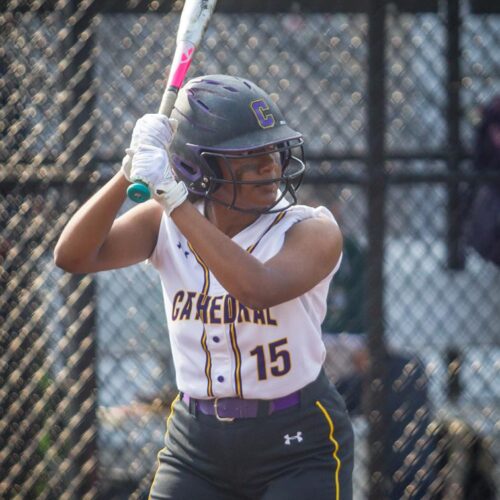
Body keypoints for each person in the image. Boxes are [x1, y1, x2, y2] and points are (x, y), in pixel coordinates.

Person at [54, 74, 354, 499]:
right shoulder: (164, 222)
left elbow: (257, 288)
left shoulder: (311, 229)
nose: (269, 166)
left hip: (297, 439)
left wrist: (173, 199)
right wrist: (127, 171)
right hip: (196, 444)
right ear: (199, 166)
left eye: (272, 149)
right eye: (248, 155)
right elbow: (73, 256)